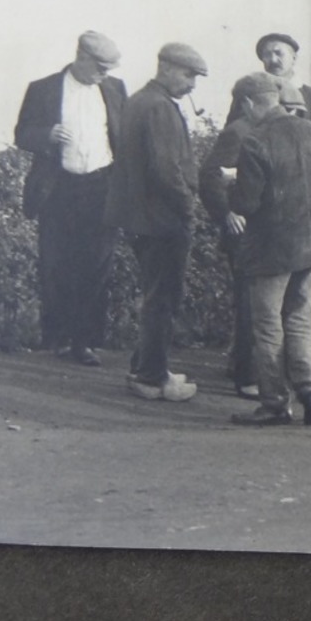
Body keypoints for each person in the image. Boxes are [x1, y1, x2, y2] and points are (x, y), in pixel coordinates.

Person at [225, 73, 311, 426]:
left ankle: (274, 403)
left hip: (271, 249)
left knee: (268, 325)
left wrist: (231, 185)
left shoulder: (255, 141)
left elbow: (247, 203)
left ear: (247, 104)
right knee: (302, 320)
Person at [14, 31, 128, 367]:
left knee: (96, 265)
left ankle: (85, 342)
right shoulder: (43, 89)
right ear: (81, 57)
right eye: (100, 67)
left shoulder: (115, 89)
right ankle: (60, 338)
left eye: (109, 68)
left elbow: (124, 138)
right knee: (57, 264)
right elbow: (21, 134)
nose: (105, 74)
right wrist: (45, 135)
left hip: (102, 186)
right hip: (59, 189)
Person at [105, 42, 209, 402]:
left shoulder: (138, 101)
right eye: (188, 74)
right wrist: (188, 208)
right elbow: (167, 172)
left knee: (154, 295)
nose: (192, 84)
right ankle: (151, 377)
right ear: (165, 68)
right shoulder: (160, 108)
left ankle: (148, 367)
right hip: (162, 220)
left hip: (140, 219)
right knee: (163, 299)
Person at [196, 72, 267, 397]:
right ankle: (247, 377)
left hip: (259, 230)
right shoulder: (238, 132)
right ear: (248, 103)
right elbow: (210, 175)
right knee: (250, 304)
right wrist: (226, 213)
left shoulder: (258, 130)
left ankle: (250, 370)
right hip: (245, 233)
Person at [228, 33, 311, 135]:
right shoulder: (247, 96)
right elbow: (232, 134)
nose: (273, 60)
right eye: (267, 55)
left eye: (279, 53)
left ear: (294, 58)